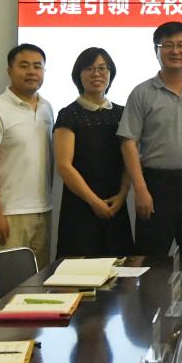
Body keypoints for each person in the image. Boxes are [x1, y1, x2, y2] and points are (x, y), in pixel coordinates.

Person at [118, 22, 182, 256]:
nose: (175, 51)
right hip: (156, 187)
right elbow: (128, 142)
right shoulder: (141, 93)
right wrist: (140, 189)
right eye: (168, 45)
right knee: (150, 261)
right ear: (156, 50)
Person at [0, 44, 54, 267]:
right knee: (6, 283)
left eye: (37, 66)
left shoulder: (47, 108)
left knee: (38, 281)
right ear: (9, 70)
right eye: (24, 66)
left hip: (43, 210)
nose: (31, 72)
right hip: (9, 214)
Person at [53, 47, 133, 257]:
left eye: (102, 68)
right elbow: (64, 166)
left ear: (110, 73)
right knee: (80, 268)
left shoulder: (122, 113)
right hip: (80, 206)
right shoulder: (68, 114)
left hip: (116, 204)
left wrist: (122, 195)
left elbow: (130, 159)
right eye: (88, 69)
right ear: (78, 75)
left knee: (120, 268)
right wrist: (94, 202)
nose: (96, 74)